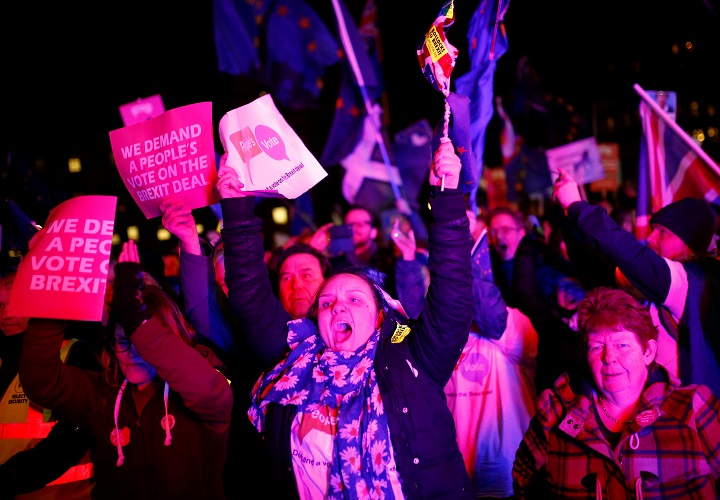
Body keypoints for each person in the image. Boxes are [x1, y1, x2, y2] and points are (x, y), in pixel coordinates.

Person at [218, 140, 476, 498]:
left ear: (380, 315)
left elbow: (452, 298)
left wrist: (446, 198)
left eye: (355, 299)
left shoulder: (412, 360)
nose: (338, 307)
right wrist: (237, 208)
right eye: (326, 302)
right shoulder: (292, 359)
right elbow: (249, 296)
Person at [19, 239, 233, 500]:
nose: (132, 353)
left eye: (142, 341)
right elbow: (41, 381)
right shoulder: (104, 394)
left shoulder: (205, 377)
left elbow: (208, 391)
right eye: (123, 341)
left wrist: (134, 315)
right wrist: (54, 297)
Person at [513, 286, 720, 498]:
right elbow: (523, 479)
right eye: (596, 347)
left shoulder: (693, 407)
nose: (608, 357)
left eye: (622, 344)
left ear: (648, 351)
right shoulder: (555, 413)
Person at [393, 213, 538, 499]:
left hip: (508, 480)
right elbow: (410, 323)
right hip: (453, 478)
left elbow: (490, 314)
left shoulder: (513, 328)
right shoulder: (440, 338)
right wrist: (408, 260)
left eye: (454, 280)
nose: (449, 289)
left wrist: (459, 243)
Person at [553, 166, 720, 396]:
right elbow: (593, 269)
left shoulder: (692, 281)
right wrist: (566, 215)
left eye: (663, 232)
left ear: (687, 242)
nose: (650, 238)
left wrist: (577, 206)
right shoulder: (656, 282)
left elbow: (631, 255)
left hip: (685, 416)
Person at [0, 271, 99, 500]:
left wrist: (12, 476)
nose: (4, 314)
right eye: (0, 305)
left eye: (12, 303)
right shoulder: (3, 359)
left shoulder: (73, 353)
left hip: (60, 494)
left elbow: (72, 438)